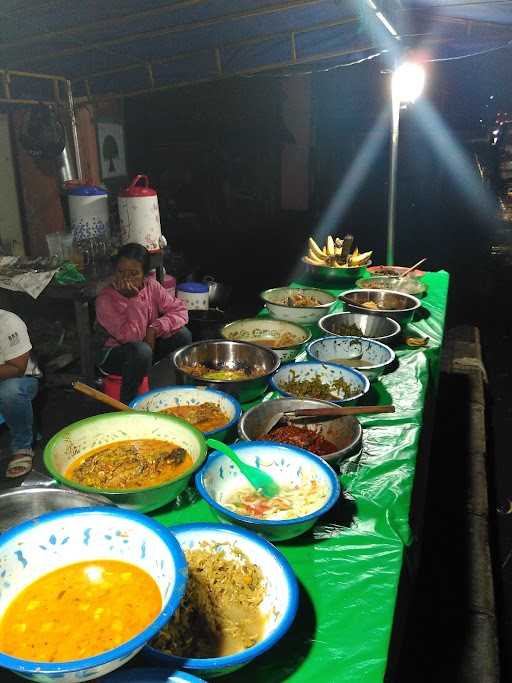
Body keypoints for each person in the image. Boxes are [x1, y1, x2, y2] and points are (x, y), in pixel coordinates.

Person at [95, 242, 191, 404]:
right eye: (120, 272)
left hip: (146, 345)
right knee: (141, 351)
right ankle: (128, 404)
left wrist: (155, 328)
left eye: (134, 273)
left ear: (144, 275)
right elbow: (132, 337)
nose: (125, 279)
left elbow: (180, 311)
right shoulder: (106, 299)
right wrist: (134, 299)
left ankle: (180, 389)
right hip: (115, 355)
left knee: (183, 335)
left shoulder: (151, 286)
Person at [0, 310, 41, 478]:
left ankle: (21, 447)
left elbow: (17, 368)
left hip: (21, 379)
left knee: (11, 391)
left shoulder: (8, 322)